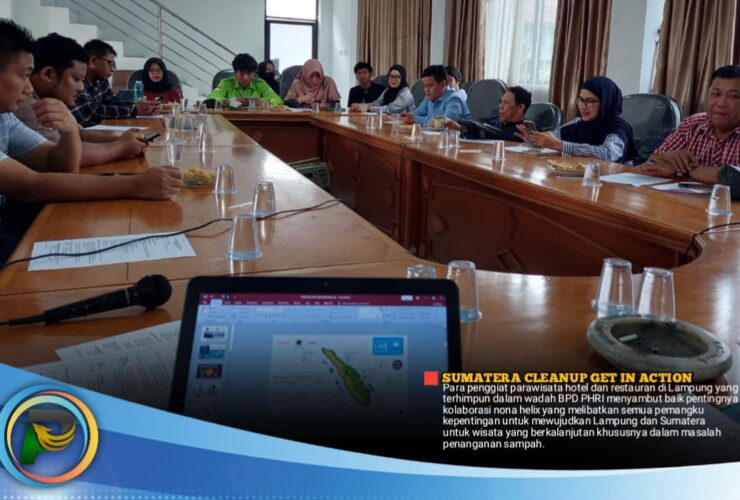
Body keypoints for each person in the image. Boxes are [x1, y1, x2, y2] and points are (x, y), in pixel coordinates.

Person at [0, 20, 181, 261]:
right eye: (23, 76)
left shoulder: (5, 118)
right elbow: (31, 186)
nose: (28, 87)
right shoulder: (23, 109)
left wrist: (70, 133)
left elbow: (60, 166)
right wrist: (136, 185)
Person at [15, 33, 148, 167]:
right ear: (48, 74)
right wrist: (120, 147)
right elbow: (61, 156)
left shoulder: (53, 99)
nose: (81, 87)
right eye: (76, 79)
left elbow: (79, 133)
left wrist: (123, 140)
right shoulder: (25, 104)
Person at [641, 65, 740, 179]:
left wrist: (683, 170)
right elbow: (649, 165)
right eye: (716, 94)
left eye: (733, 96)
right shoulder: (693, 124)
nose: (721, 103)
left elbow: (736, 178)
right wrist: (663, 158)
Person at [517, 76, 637, 163]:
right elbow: (553, 138)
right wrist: (536, 141)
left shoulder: (618, 128)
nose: (583, 106)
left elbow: (608, 153)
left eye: (590, 101)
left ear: (606, 103)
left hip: (611, 183)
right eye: (581, 100)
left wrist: (563, 146)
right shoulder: (578, 123)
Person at [71, 40, 159, 127]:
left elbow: (112, 101)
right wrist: (134, 110)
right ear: (93, 61)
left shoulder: (101, 80)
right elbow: (91, 112)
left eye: (114, 65)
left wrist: (137, 106)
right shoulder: (78, 81)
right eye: (110, 63)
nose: (113, 69)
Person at [444, 86, 531, 142]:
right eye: (501, 102)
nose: (500, 106)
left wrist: (461, 128)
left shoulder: (525, 131)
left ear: (520, 108)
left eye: (506, 103)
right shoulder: (495, 122)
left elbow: (497, 135)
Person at [401, 65, 471, 126]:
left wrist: (416, 119)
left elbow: (443, 124)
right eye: (425, 86)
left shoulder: (454, 99)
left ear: (443, 85)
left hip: (460, 137)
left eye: (430, 86)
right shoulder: (428, 98)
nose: (426, 90)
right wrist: (406, 116)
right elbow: (417, 113)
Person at [207, 53, 282, 106]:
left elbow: (278, 100)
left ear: (254, 74)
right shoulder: (226, 83)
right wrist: (229, 101)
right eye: (242, 74)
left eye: (249, 73)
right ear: (235, 73)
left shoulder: (260, 84)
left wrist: (264, 102)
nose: (245, 78)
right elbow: (211, 99)